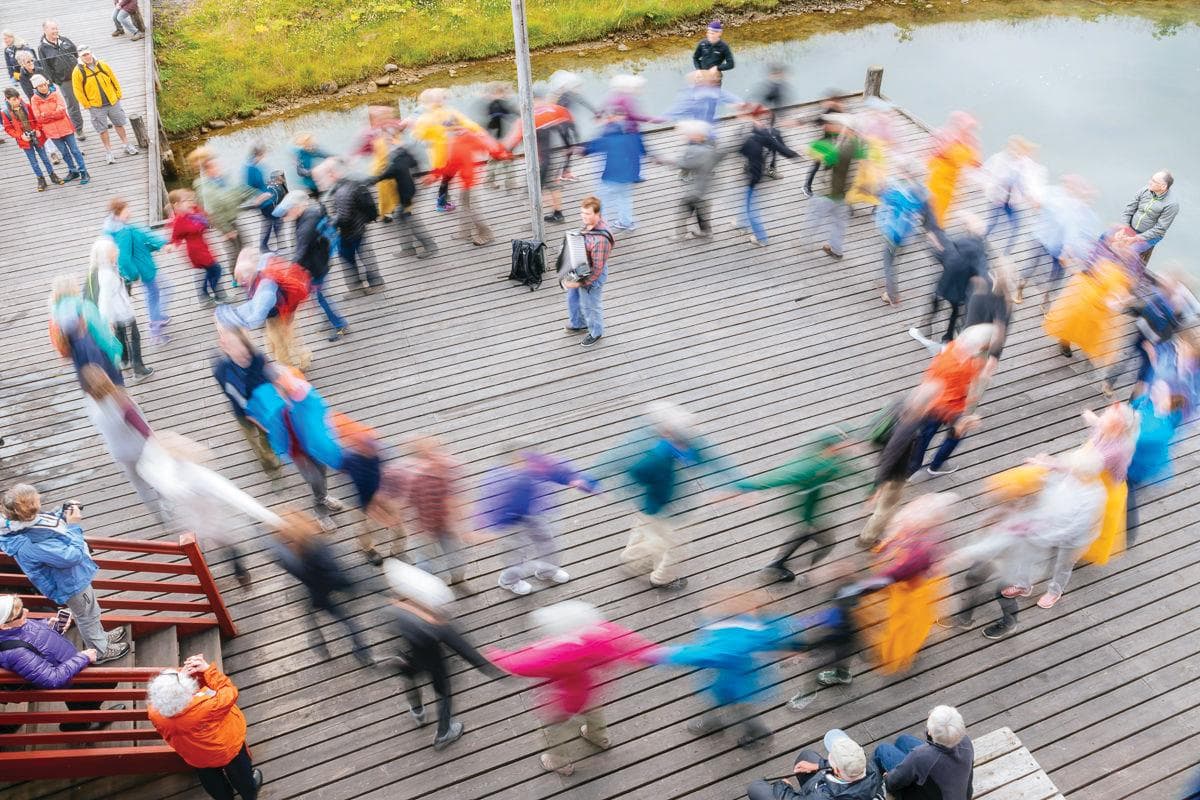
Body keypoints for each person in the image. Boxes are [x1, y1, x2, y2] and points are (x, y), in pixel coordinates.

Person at [488, 600, 658, 776]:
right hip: (592, 691)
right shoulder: (601, 634)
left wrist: (496, 656)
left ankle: (558, 761)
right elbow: (628, 641)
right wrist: (653, 653)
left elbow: (523, 663)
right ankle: (598, 738)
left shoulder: (560, 653)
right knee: (595, 716)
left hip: (563, 702)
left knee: (554, 731)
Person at [605, 401, 741, 590]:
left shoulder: (671, 443)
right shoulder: (656, 457)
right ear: (667, 432)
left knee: (644, 529)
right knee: (676, 546)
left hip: (650, 504)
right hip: (666, 508)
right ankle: (661, 578)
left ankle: (631, 556)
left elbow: (712, 457)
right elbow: (634, 474)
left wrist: (737, 482)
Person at [0, 484, 130, 662]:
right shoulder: (30, 543)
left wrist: (62, 510)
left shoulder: (18, 525)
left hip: (69, 579)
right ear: (27, 512)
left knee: (89, 612)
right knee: (86, 616)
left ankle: (100, 638)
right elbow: (73, 556)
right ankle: (100, 651)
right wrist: (74, 525)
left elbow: (44, 519)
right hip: (70, 583)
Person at [652, 593, 800, 748]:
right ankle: (721, 724)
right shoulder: (759, 627)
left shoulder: (731, 640)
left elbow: (702, 655)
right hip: (747, 678)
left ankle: (756, 733)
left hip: (731, 684)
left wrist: (665, 655)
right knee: (738, 707)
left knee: (738, 708)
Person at [137, 432, 284, 587]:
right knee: (220, 544)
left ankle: (216, 572)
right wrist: (274, 520)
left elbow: (146, 470)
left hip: (196, 518)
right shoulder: (191, 474)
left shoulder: (171, 474)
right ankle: (236, 572)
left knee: (205, 546)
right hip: (200, 517)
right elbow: (236, 497)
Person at [383, 560, 502, 750]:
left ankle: (418, 711)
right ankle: (444, 733)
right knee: (443, 692)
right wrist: (496, 671)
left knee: (410, 679)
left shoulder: (396, 608)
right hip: (434, 661)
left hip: (409, 656)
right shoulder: (438, 625)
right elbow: (466, 651)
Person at [476, 443, 597, 596]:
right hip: (509, 522)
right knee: (515, 553)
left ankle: (547, 570)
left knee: (547, 540)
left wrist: (572, 479)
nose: (523, 465)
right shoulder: (497, 480)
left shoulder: (534, 463)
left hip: (534, 513)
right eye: (516, 462)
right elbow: (489, 504)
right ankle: (509, 581)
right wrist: (490, 526)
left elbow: (555, 469)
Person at [734, 428, 852, 582]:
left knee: (803, 534)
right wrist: (744, 486)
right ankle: (808, 573)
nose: (847, 447)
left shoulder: (827, 459)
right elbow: (779, 477)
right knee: (827, 542)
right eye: (842, 445)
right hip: (810, 513)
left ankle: (775, 565)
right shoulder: (810, 467)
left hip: (812, 512)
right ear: (830, 447)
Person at [0, 594, 127, 734]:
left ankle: (80, 722)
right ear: (4, 625)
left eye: (23, 608)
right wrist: (83, 658)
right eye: (20, 614)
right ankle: (81, 724)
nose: (26, 612)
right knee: (103, 685)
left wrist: (49, 625)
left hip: (71, 665)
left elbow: (30, 634)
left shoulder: (15, 624)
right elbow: (52, 679)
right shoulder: (16, 652)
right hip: (70, 676)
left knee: (97, 689)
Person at [1000, 447, 1106, 608]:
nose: (1071, 469)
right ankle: (1023, 585)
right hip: (1050, 522)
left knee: (1063, 566)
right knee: (1027, 551)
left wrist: (1046, 537)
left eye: (1075, 468)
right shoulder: (1074, 473)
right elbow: (1059, 469)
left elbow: (1074, 528)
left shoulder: (1093, 496)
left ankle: (1054, 592)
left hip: (1073, 539)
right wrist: (1041, 465)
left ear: (1084, 473)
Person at [147, 655, 263, 800]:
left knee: (212, 780)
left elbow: (179, 701)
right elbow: (229, 692)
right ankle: (249, 793)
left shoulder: (154, 712)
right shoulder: (206, 707)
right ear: (186, 692)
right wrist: (207, 670)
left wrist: (181, 680)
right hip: (226, 749)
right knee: (240, 774)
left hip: (196, 755)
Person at [271, 511, 371, 666]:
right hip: (328, 583)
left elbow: (304, 571)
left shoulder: (302, 555)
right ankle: (360, 649)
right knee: (339, 616)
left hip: (322, 588)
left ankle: (362, 649)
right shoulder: (315, 542)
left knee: (344, 618)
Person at [908, 324, 994, 477]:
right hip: (953, 408)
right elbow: (971, 390)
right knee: (956, 435)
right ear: (980, 346)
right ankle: (936, 466)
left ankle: (912, 467)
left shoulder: (950, 348)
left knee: (925, 435)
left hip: (932, 402)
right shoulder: (970, 365)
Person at [80, 364, 163, 518]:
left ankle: (158, 515)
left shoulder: (92, 404)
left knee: (140, 485)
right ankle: (166, 506)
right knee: (157, 476)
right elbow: (141, 426)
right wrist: (156, 440)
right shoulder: (121, 401)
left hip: (120, 453)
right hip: (140, 448)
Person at [860, 383, 939, 546]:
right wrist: (875, 487)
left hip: (888, 460)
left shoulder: (901, 402)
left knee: (889, 502)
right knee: (886, 507)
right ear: (925, 405)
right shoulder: (908, 427)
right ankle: (867, 539)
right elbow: (890, 456)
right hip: (895, 473)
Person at [1043, 230, 1136, 363]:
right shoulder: (1104, 245)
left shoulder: (1131, 259)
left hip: (1106, 299)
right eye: (1120, 238)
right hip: (1088, 290)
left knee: (1094, 327)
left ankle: (1087, 346)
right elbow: (1091, 262)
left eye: (1125, 241)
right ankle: (1065, 341)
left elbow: (1131, 280)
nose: (1122, 243)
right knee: (1073, 318)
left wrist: (1123, 294)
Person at [272, 190, 349, 341]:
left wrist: (288, 271)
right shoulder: (308, 213)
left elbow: (301, 251)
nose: (284, 217)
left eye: (286, 213)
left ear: (296, 207)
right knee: (317, 295)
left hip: (317, 266)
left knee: (321, 296)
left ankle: (340, 325)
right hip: (319, 259)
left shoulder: (307, 224)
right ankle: (328, 319)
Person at [211, 323, 284, 485]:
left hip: (264, 406)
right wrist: (256, 419)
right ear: (226, 349)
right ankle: (270, 468)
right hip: (243, 411)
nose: (243, 356)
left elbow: (273, 377)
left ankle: (272, 457)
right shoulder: (223, 371)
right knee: (253, 440)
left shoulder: (257, 357)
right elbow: (240, 400)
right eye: (236, 352)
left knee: (267, 436)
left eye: (244, 351)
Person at [217, 249, 313, 370]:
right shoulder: (254, 278)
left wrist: (235, 322)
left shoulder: (265, 288)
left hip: (280, 317)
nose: (239, 281)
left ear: (248, 274)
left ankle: (291, 368)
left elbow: (257, 316)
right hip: (276, 315)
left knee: (283, 344)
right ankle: (302, 358)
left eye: (241, 277)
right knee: (280, 342)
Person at [425, 121, 508, 245]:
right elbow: (452, 164)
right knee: (464, 205)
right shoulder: (460, 139)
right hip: (465, 179)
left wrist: (501, 153)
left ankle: (487, 234)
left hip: (472, 180)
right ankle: (465, 231)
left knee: (474, 208)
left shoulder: (465, 138)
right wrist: (436, 175)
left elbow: (488, 146)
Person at [1102, 273, 1184, 399]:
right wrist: (1126, 308)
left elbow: (1171, 331)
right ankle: (1108, 382)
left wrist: (1154, 342)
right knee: (1124, 358)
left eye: (1169, 286)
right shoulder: (1157, 297)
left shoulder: (1175, 309)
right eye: (1165, 284)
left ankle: (1133, 401)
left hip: (1153, 345)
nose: (1165, 287)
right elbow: (1143, 309)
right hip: (1140, 335)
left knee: (1145, 373)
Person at [401, 435, 470, 585]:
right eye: (427, 455)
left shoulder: (450, 467)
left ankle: (458, 581)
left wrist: (458, 522)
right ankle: (425, 587)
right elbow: (406, 504)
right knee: (425, 563)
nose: (434, 457)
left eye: (434, 452)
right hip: (422, 527)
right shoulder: (412, 478)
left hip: (446, 525)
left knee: (457, 559)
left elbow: (457, 498)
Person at [914, 215, 990, 344]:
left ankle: (926, 327)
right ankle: (948, 337)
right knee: (955, 313)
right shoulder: (981, 251)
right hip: (962, 289)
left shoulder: (958, 244)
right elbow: (982, 271)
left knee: (935, 303)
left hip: (946, 284)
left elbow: (941, 253)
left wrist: (930, 243)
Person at [748, 728, 883, 800]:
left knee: (755, 787)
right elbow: (845, 769)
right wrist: (819, 765)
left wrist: (783, 786)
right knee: (806, 756)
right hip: (837, 790)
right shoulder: (871, 768)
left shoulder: (823, 797)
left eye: (831, 759)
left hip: (824, 793)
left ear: (837, 770)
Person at [501, 95, 576, 223]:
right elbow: (571, 123)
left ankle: (536, 221)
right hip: (559, 153)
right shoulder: (555, 108)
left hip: (542, 160)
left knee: (532, 190)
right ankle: (558, 213)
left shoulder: (526, 119)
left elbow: (512, 142)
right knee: (553, 184)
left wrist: (506, 154)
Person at [1125, 379, 1184, 541]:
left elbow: (1136, 439)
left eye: (1160, 391)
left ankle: (1129, 533)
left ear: (1169, 398)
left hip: (1137, 466)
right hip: (1132, 458)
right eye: (1155, 387)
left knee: (1128, 496)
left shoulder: (1159, 430)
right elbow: (1133, 407)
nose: (1154, 390)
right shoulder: (1147, 403)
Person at [104, 197, 169, 342]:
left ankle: (158, 319)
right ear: (118, 214)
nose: (129, 213)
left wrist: (161, 245)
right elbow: (124, 259)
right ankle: (156, 330)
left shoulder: (120, 227)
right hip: (143, 270)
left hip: (144, 267)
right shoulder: (124, 232)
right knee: (155, 295)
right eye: (126, 210)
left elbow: (141, 243)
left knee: (156, 293)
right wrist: (134, 276)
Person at [874, 705, 973, 800]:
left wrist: (887, 778)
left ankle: (872, 790)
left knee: (882, 749)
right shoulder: (966, 741)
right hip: (959, 795)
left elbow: (893, 782)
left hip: (926, 793)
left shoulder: (920, 757)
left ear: (930, 732)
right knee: (903, 740)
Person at [88, 238, 153, 380]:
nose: (117, 251)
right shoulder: (108, 275)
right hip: (122, 313)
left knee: (121, 335)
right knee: (134, 337)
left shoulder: (107, 268)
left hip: (118, 312)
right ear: (106, 255)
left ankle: (125, 360)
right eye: (113, 250)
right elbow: (104, 299)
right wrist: (106, 320)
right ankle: (138, 369)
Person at [190, 147, 258, 281]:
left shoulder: (221, 180)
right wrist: (226, 230)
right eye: (215, 167)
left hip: (232, 218)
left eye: (218, 165)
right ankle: (236, 277)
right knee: (235, 251)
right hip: (225, 224)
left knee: (245, 244)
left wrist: (252, 194)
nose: (219, 168)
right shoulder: (207, 189)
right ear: (208, 170)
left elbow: (234, 196)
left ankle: (245, 270)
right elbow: (212, 212)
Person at [411, 88, 484, 212]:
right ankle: (441, 202)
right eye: (439, 98)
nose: (442, 100)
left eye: (442, 97)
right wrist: (477, 131)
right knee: (446, 178)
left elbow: (418, 134)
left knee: (446, 178)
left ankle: (442, 199)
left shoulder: (438, 114)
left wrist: (475, 130)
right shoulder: (432, 116)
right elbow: (419, 134)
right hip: (443, 155)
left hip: (448, 153)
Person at [318, 157, 384, 295]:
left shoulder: (342, 192)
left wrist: (329, 224)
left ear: (333, 173)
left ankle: (358, 287)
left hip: (350, 231)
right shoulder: (352, 181)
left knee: (348, 257)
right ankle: (375, 282)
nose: (324, 178)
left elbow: (343, 217)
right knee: (365, 255)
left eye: (326, 174)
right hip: (360, 225)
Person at [736, 105, 799, 247]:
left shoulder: (752, 136)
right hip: (755, 172)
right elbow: (781, 148)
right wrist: (795, 155)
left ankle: (761, 238)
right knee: (745, 199)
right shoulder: (766, 133)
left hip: (753, 176)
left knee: (751, 207)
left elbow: (739, 150)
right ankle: (742, 222)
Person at [48, 275, 125, 387]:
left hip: (82, 364)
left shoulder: (56, 318)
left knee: (97, 394)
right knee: (117, 390)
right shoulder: (85, 308)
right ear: (74, 289)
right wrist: (116, 353)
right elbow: (103, 336)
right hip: (99, 357)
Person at [877, 162, 936, 305]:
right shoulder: (921, 193)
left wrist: (882, 185)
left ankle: (892, 295)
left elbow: (882, 195)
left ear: (907, 175)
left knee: (888, 262)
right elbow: (928, 212)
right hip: (908, 235)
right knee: (893, 258)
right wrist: (929, 231)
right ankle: (890, 289)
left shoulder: (900, 194)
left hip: (894, 234)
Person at [560, 195, 614, 348]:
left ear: (598, 214)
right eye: (582, 213)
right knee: (573, 298)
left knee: (591, 306)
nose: (584, 217)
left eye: (588, 214)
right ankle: (578, 323)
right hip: (581, 269)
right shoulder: (590, 226)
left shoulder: (601, 240)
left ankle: (596, 332)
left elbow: (597, 270)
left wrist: (580, 283)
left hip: (592, 278)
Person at [577, 112, 647, 231]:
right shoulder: (631, 136)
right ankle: (626, 222)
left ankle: (597, 225)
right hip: (628, 176)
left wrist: (580, 150)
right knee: (624, 198)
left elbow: (588, 150)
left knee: (600, 201)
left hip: (611, 177)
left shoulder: (607, 138)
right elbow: (642, 151)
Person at [979, 135, 1045, 258]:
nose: (1014, 152)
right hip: (997, 199)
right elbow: (988, 172)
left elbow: (1027, 184)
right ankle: (980, 242)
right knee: (992, 224)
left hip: (1011, 203)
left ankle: (1005, 253)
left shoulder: (1023, 164)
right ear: (1008, 148)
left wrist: (1033, 200)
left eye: (1017, 150)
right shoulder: (999, 159)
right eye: (1012, 148)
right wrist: (987, 184)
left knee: (1016, 228)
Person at [373, 136, 437, 259]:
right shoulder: (405, 156)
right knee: (400, 218)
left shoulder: (396, 164)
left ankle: (430, 246)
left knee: (412, 221)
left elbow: (381, 176)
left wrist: (365, 181)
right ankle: (408, 249)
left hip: (407, 196)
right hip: (411, 192)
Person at [71, 47, 139, 164]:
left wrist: (118, 93)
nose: (87, 57)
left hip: (112, 101)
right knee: (102, 130)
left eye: (88, 54)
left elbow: (113, 79)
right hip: (95, 106)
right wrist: (87, 105)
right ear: (80, 57)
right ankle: (109, 152)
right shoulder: (77, 72)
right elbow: (78, 91)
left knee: (119, 124)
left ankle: (126, 144)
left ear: (91, 53)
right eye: (84, 55)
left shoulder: (102, 65)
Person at [658, 119, 721, 241]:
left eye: (688, 134)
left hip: (696, 188)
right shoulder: (709, 145)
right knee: (702, 211)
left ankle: (680, 235)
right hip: (707, 186)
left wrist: (665, 161)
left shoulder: (695, 149)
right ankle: (706, 233)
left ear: (697, 136)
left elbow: (685, 164)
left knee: (684, 210)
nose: (686, 136)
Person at [809, 113, 861, 260]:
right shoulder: (855, 144)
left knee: (816, 212)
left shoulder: (845, 148)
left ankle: (807, 239)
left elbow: (830, 160)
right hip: (845, 191)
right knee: (839, 223)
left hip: (835, 190)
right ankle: (836, 249)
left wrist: (814, 151)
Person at [168, 188, 226, 305]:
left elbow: (205, 217)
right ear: (177, 205)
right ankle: (218, 295)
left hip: (203, 246)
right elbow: (176, 237)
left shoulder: (193, 212)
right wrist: (172, 245)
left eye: (191, 200)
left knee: (210, 271)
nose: (191, 202)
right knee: (216, 269)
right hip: (196, 251)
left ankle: (205, 296)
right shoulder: (179, 221)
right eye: (186, 200)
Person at [29, 73, 88, 184]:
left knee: (75, 150)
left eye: (44, 84)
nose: (43, 87)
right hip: (52, 132)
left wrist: (46, 115)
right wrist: (53, 113)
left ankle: (84, 171)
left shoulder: (56, 94)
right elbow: (38, 118)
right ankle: (73, 170)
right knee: (64, 152)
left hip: (65, 128)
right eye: (40, 86)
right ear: (36, 88)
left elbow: (62, 112)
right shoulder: (34, 99)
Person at [925, 112, 981, 227]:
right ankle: (934, 225)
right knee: (937, 200)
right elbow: (935, 153)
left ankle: (933, 222)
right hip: (941, 174)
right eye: (967, 127)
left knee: (943, 201)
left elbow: (975, 161)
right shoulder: (947, 137)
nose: (969, 130)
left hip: (951, 176)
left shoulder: (968, 140)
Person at [2, 87, 64, 190]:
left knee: (44, 157)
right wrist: (20, 136)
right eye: (13, 99)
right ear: (7, 100)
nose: (17, 101)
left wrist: (38, 129)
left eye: (18, 98)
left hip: (36, 136)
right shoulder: (5, 113)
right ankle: (40, 179)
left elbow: (37, 119)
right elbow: (8, 129)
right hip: (24, 140)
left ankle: (52, 175)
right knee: (33, 161)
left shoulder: (27, 106)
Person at [36, 21, 85, 139]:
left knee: (90, 95)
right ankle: (79, 129)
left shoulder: (64, 40)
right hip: (65, 81)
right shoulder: (42, 48)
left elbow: (77, 53)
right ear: (45, 30)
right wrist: (57, 80)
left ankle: (99, 120)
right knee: (73, 104)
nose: (56, 31)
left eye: (56, 28)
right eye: (53, 29)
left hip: (79, 74)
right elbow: (46, 67)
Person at [1122, 170, 1179, 263]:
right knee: (1106, 236)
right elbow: (1129, 209)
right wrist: (1125, 227)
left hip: (1150, 237)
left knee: (1130, 251)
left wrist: (1136, 238)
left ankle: (1130, 275)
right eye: (1151, 179)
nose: (1149, 182)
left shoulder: (1172, 204)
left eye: (1154, 181)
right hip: (1131, 228)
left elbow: (1160, 229)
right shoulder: (1145, 190)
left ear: (1163, 186)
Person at [244, 142, 284, 251]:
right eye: (263, 154)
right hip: (265, 200)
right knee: (276, 220)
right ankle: (273, 245)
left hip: (265, 199)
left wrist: (271, 182)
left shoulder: (252, 164)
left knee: (270, 221)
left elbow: (258, 183)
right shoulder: (252, 168)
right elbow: (252, 186)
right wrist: (263, 195)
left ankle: (266, 245)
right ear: (260, 154)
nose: (264, 156)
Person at [484, 83, 518, 189]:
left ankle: (491, 182)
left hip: (498, 137)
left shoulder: (496, 104)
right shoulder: (497, 104)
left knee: (495, 160)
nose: (504, 95)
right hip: (500, 138)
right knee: (505, 160)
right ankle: (508, 183)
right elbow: (497, 120)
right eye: (501, 93)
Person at [293, 133, 329, 198]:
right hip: (310, 183)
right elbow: (300, 171)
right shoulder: (300, 154)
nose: (312, 145)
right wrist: (311, 172)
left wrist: (336, 158)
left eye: (312, 143)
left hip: (320, 180)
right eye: (309, 143)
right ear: (304, 145)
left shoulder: (314, 150)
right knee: (317, 196)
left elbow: (325, 154)